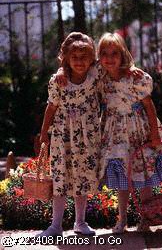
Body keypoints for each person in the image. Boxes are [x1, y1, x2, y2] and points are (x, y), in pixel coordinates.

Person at [97, 32, 162, 233]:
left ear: (123, 53)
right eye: (104, 53)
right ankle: (122, 218)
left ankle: (146, 217)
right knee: (121, 177)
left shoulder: (136, 77)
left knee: (143, 173)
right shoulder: (100, 78)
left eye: (114, 53)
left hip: (137, 130)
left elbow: (149, 106)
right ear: (99, 56)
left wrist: (154, 134)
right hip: (114, 133)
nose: (109, 58)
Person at [37, 32, 102, 238]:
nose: (80, 61)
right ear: (65, 58)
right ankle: (55, 226)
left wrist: (133, 70)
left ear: (92, 58)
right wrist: (44, 133)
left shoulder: (95, 76)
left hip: (86, 136)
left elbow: (115, 68)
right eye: (74, 57)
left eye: (84, 57)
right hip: (62, 135)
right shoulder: (58, 81)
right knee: (61, 177)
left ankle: (80, 222)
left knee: (82, 177)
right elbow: (51, 106)